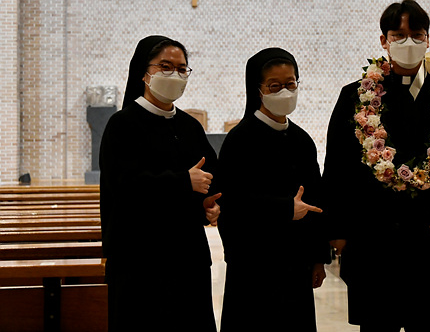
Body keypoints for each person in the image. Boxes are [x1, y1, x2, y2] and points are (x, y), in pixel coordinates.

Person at [322, 0, 430, 332]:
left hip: (429, 242)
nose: (408, 43)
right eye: (399, 35)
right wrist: (338, 231)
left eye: (417, 35)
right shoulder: (355, 98)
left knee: (427, 326)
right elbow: (337, 167)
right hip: (373, 240)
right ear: (383, 40)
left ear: (428, 39)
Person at [99, 35, 220, 332]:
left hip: (188, 259)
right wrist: (182, 182)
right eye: (165, 66)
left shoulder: (190, 127)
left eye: (182, 69)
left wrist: (208, 206)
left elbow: (211, 180)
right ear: (144, 72)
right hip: (140, 263)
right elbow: (124, 187)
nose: (174, 75)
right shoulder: (122, 125)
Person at [216, 48, 329, 331]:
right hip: (253, 264)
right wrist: (285, 209)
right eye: (274, 86)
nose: (285, 92)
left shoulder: (302, 140)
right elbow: (232, 203)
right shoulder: (240, 140)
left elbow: (316, 200)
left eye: (290, 84)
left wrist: (318, 258)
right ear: (258, 89)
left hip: (297, 262)